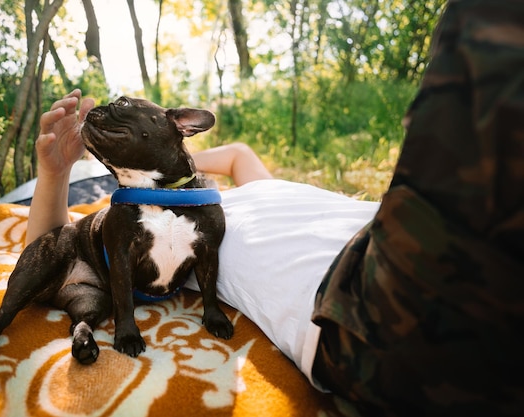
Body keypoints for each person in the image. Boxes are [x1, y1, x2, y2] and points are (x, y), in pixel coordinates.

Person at [27, 1, 524, 415]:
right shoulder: (157, 236)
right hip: (359, 301)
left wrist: (172, 163)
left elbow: (237, 154)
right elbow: (59, 256)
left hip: (375, 231)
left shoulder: (240, 187)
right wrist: (56, 173)